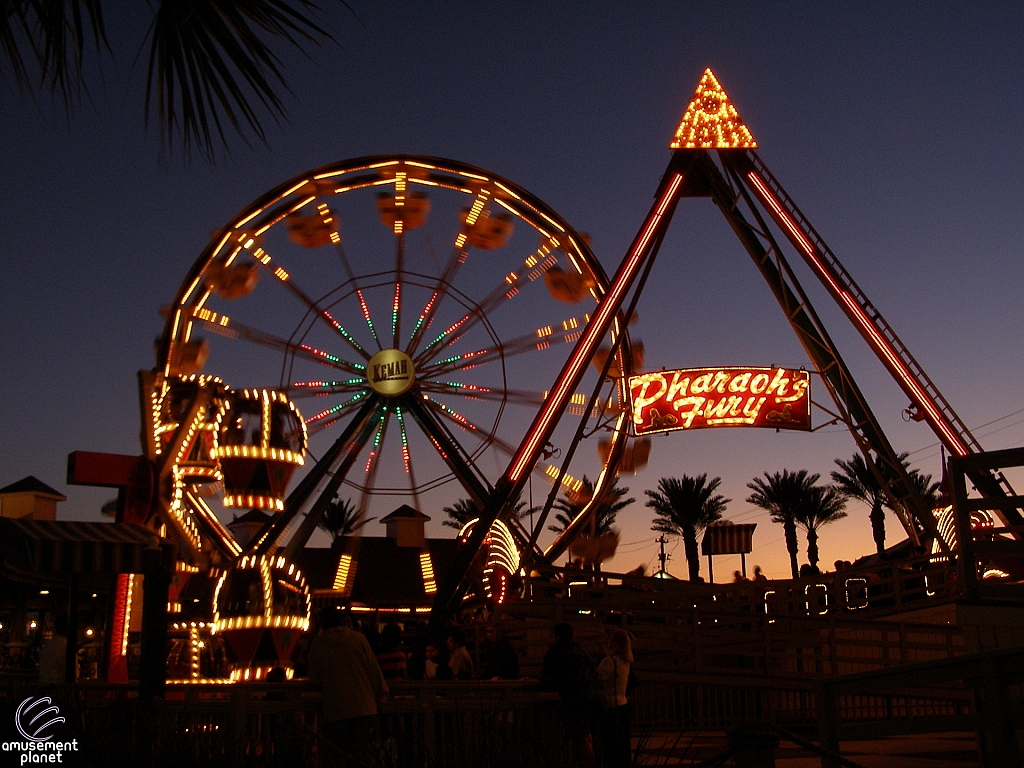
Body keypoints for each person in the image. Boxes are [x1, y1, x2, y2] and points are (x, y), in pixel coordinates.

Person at [308, 606, 389, 767]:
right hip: (364, 706)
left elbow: (314, 679)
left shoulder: (318, 645)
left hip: (337, 709)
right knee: (363, 754)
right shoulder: (358, 639)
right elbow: (373, 670)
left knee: (339, 756)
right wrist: (381, 697)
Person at [541, 622, 603, 766]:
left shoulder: (556, 651)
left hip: (578, 696)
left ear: (556, 637)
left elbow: (547, 677)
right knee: (593, 735)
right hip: (598, 695)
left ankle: (589, 763)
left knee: (582, 737)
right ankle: (597, 762)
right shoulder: (580, 651)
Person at [597, 629, 633, 768]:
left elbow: (598, 679)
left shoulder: (609, 661)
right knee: (622, 743)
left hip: (610, 707)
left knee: (609, 744)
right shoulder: (625, 662)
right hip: (623, 704)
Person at [38, 614, 68, 684]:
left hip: (44, 687)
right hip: (60, 689)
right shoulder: (66, 647)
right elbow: (73, 673)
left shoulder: (47, 646)